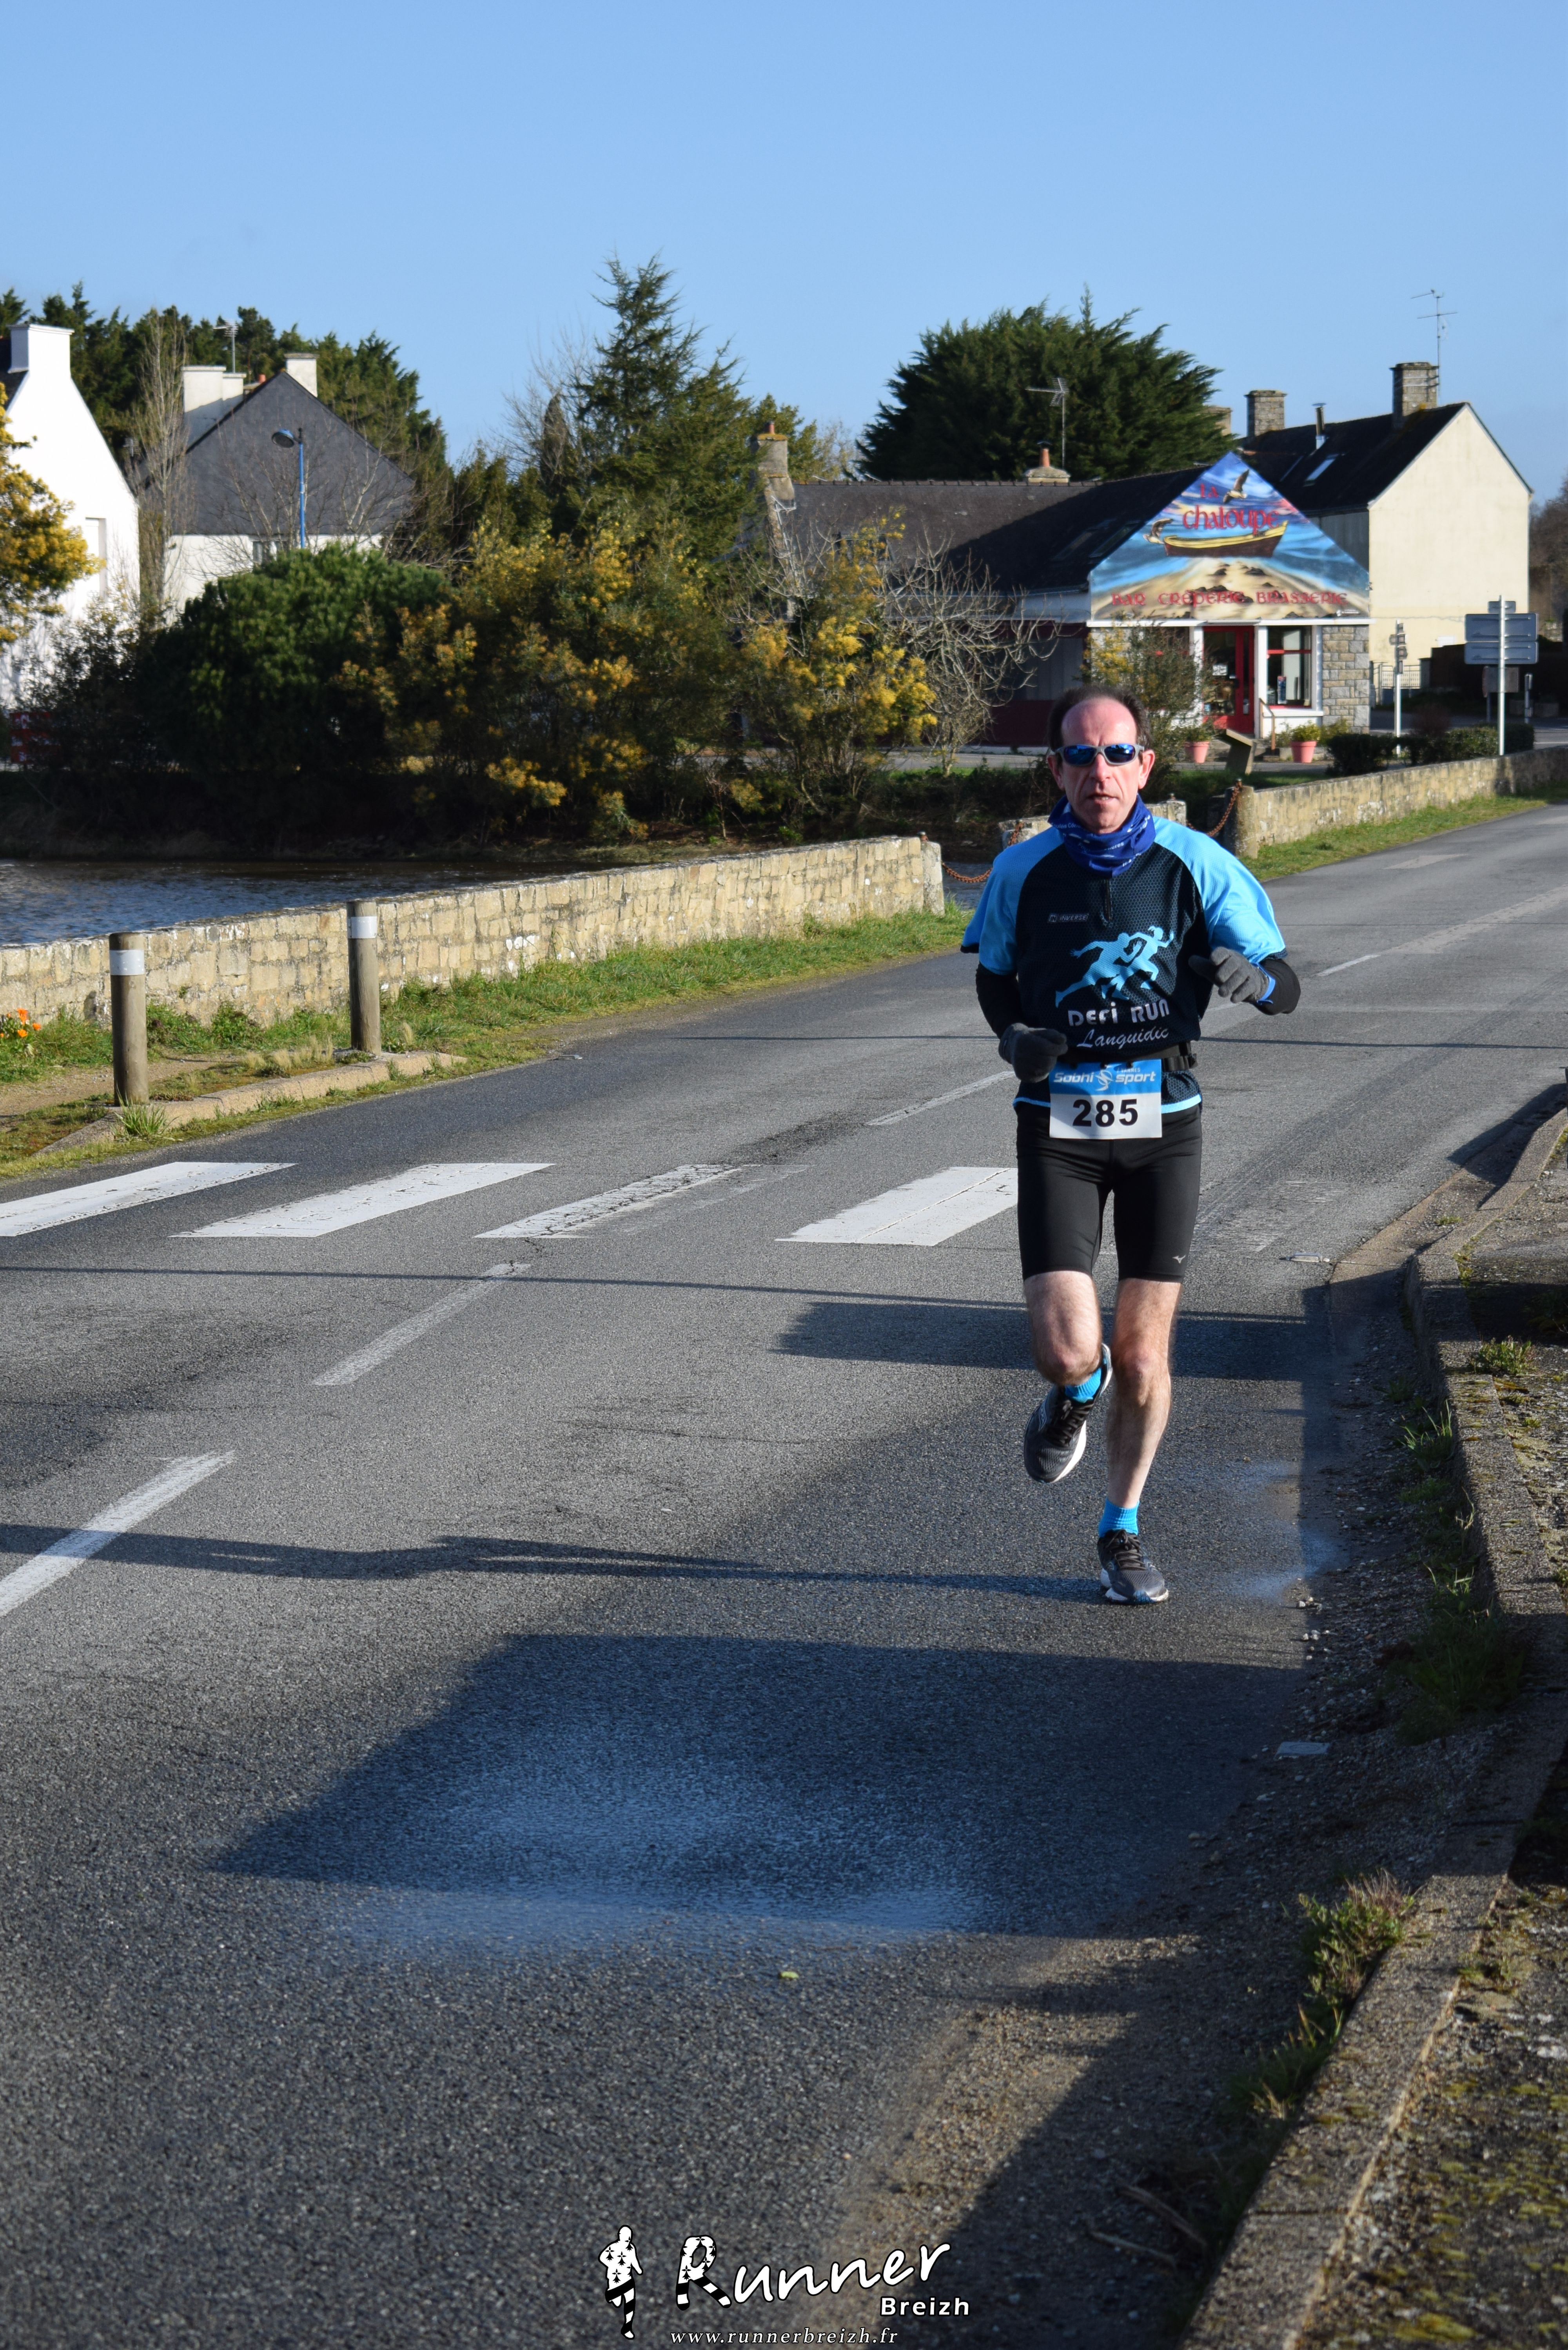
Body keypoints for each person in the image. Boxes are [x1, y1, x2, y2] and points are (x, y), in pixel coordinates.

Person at [962, 684, 1300, 1603]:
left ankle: (1121, 1528)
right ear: (1055, 769)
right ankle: (1075, 1392)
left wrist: (1256, 981)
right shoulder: (1021, 870)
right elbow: (995, 979)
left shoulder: (1197, 862)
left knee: (1145, 1356)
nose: (1099, 771)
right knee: (1067, 1349)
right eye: (1080, 755)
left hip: (1164, 1127)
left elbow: (1284, 983)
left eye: (1117, 753)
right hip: (1057, 1126)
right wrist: (1013, 1037)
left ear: (1145, 765)